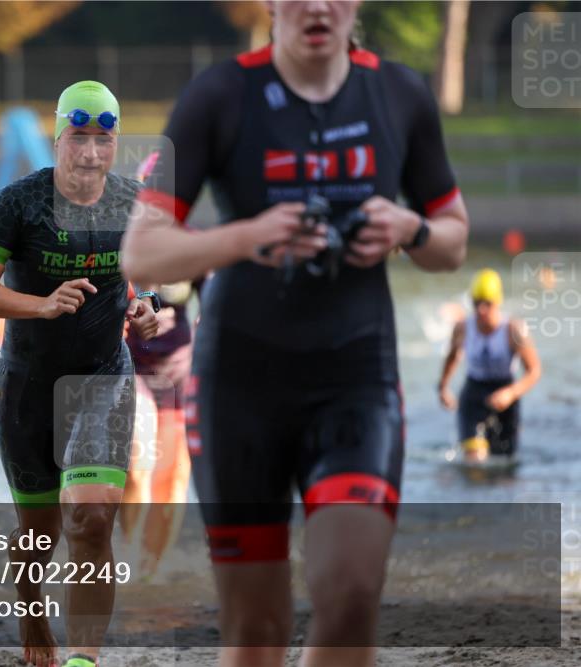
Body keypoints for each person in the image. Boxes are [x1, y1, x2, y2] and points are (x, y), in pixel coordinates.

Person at [120, 2, 469, 666]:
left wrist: (408, 228)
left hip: (356, 380)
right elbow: (141, 251)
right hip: (240, 388)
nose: (317, 6)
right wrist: (250, 235)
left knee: (351, 594)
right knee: (255, 631)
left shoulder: (400, 94)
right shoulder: (219, 95)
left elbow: (452, 238)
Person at [0, 80, 159, 667]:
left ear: (116, 139)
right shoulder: (17, 202)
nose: (91, 152)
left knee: (91, 518)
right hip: (27, 385)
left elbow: (145, 272)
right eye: (79, 137)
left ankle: (83, 660)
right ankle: (31, 618)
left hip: (102, 378)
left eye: (103, 137)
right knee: (40, 534)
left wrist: (145, 303)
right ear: (58, 136)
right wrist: (42, 305)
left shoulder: (135, 201)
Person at [119, 151, 197, 580]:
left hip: (179, 371)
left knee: (175, 475)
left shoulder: (193, 242)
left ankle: (151, 570)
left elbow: (219, 294)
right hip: (131, 365)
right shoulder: (119, 241)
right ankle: (122, 556)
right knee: (136, 459)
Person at [438, 268, 541, 461]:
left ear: (498, 302)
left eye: (487, 304)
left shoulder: (514, 330)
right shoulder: (462, 328)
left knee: (503, 464)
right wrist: (443, 387)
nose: (481, 310)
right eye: (476, 303)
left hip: (505, 394)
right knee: (475, 461)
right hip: (474, 392)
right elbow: (452, 357)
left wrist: (511, 393)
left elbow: (534, 371)